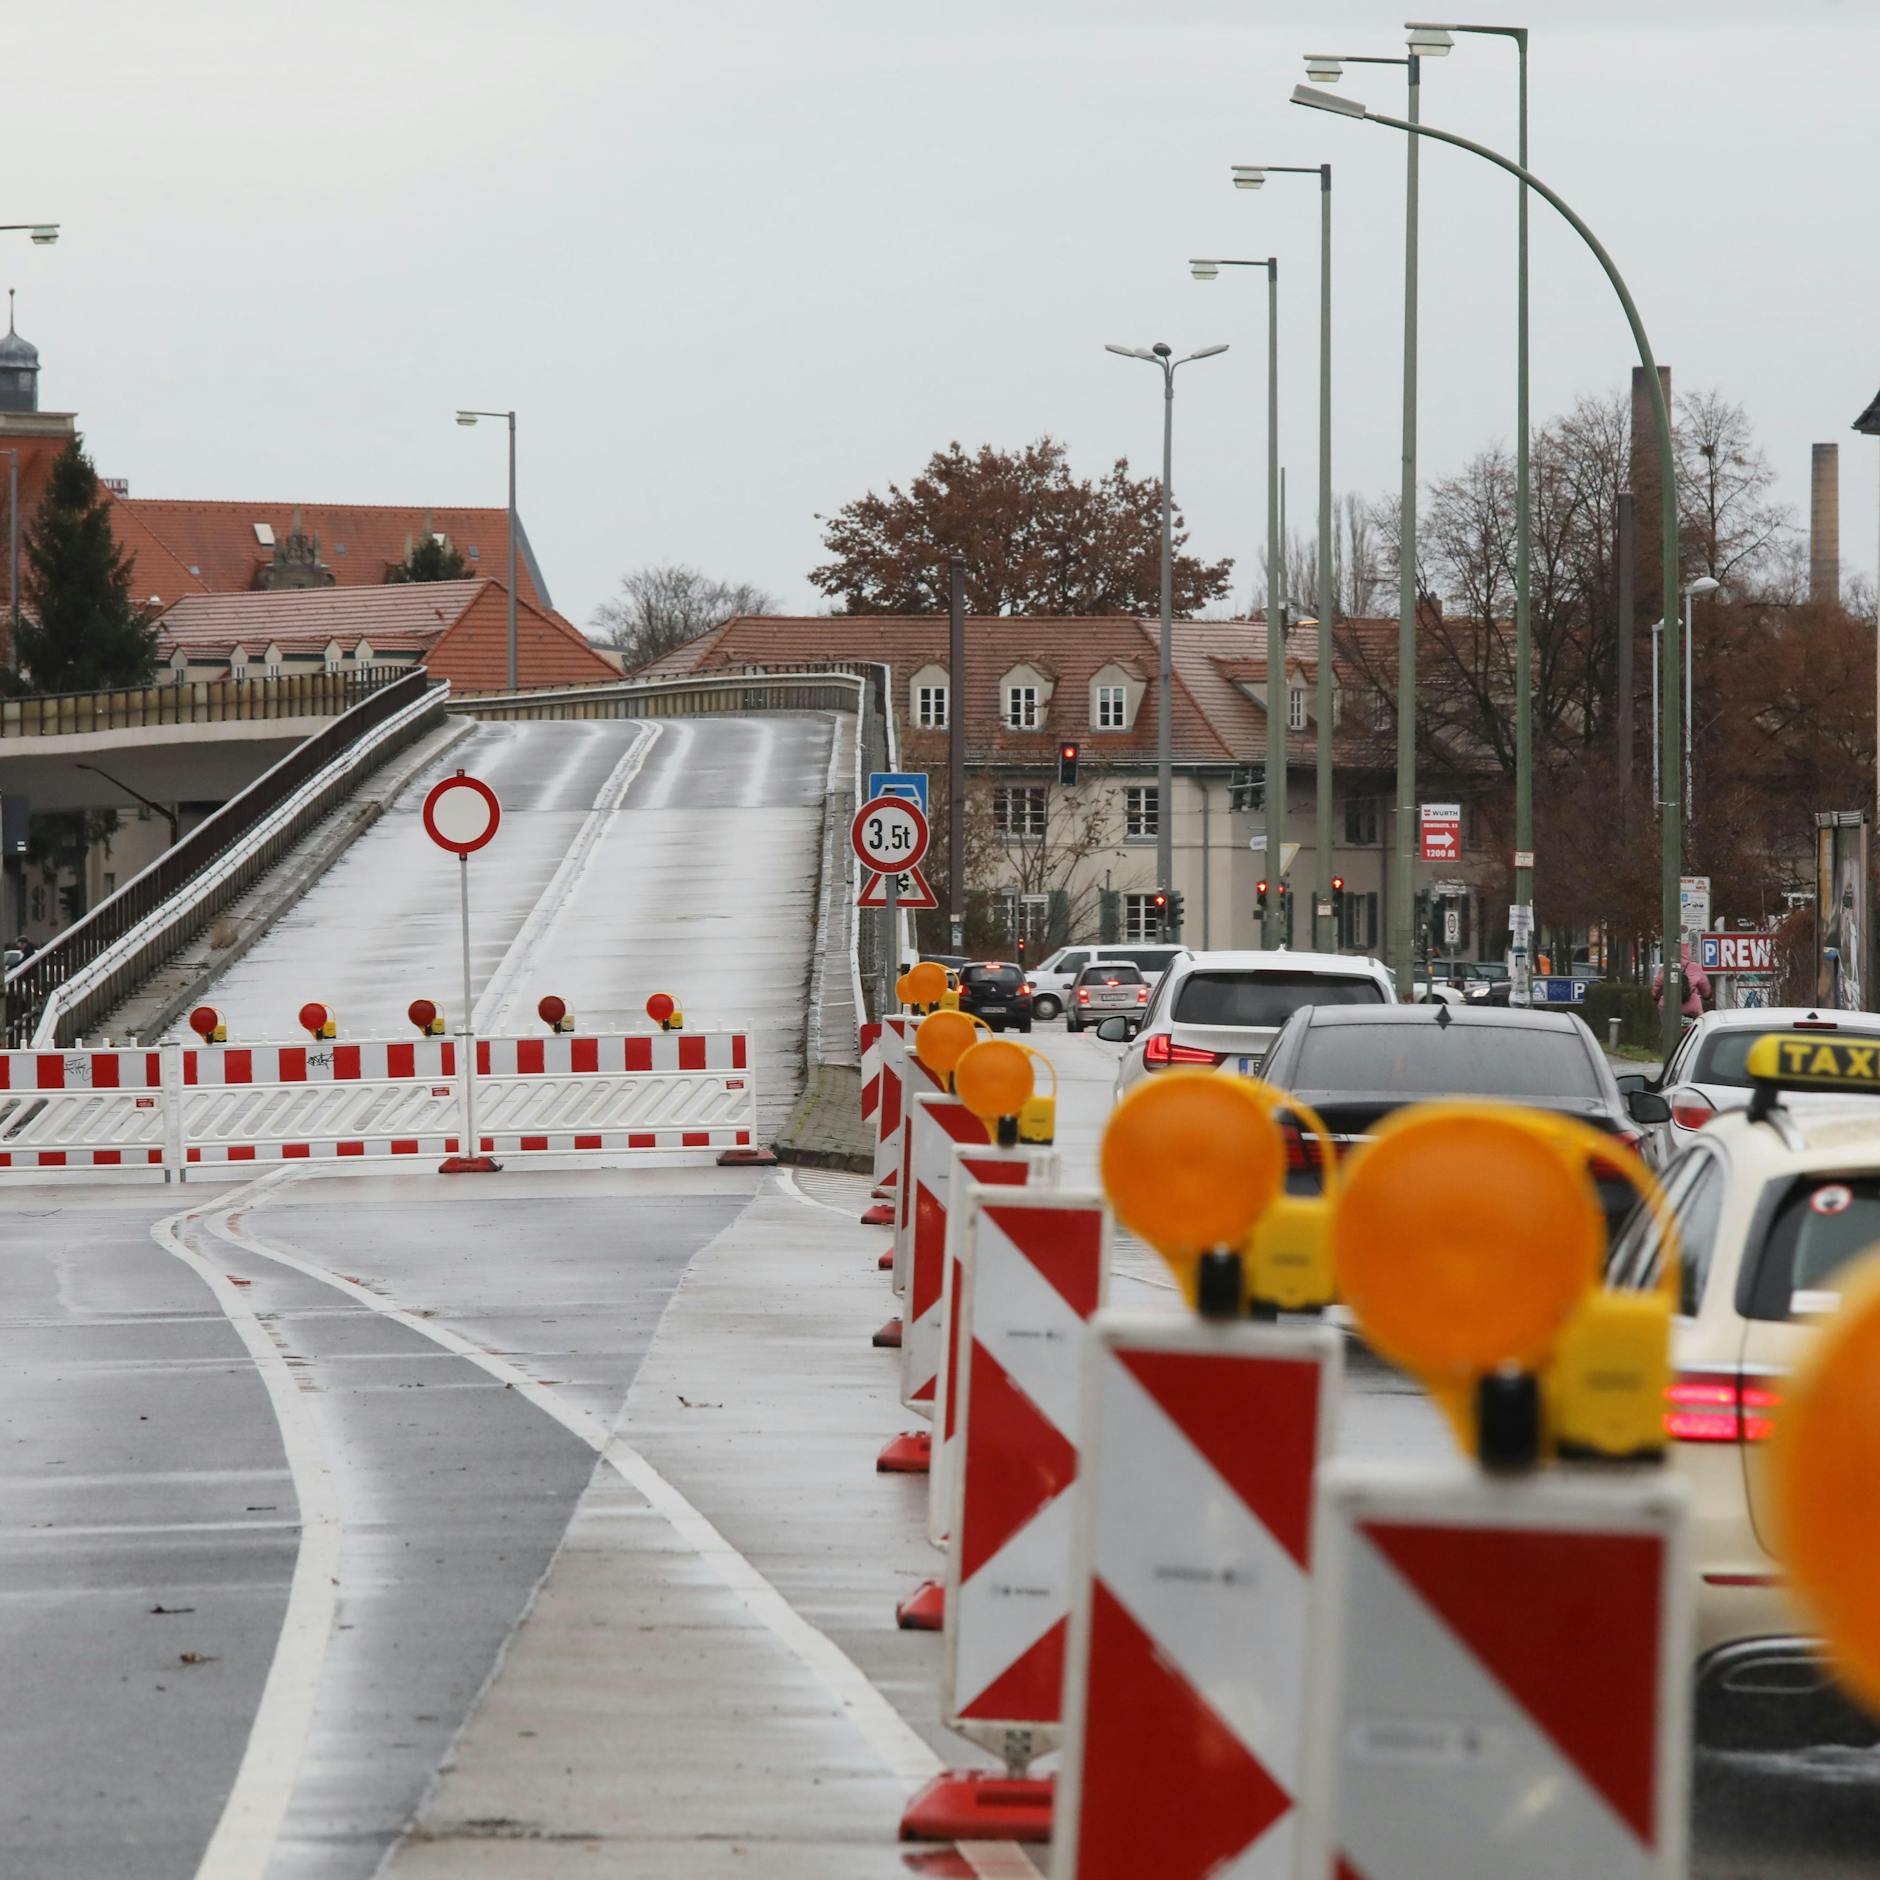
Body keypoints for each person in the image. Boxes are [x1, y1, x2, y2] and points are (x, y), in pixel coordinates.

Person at [1652, 945, 1711, 1021]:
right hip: (1692, 1007)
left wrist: (1656, 996)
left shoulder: (1667, 967)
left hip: (1669, 1006)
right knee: (1699, 1024)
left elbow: (1658, 985)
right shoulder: (1696, 968)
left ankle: (1667, 1031)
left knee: (1665, 1022)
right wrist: (1707, 996)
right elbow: (1704, 986)